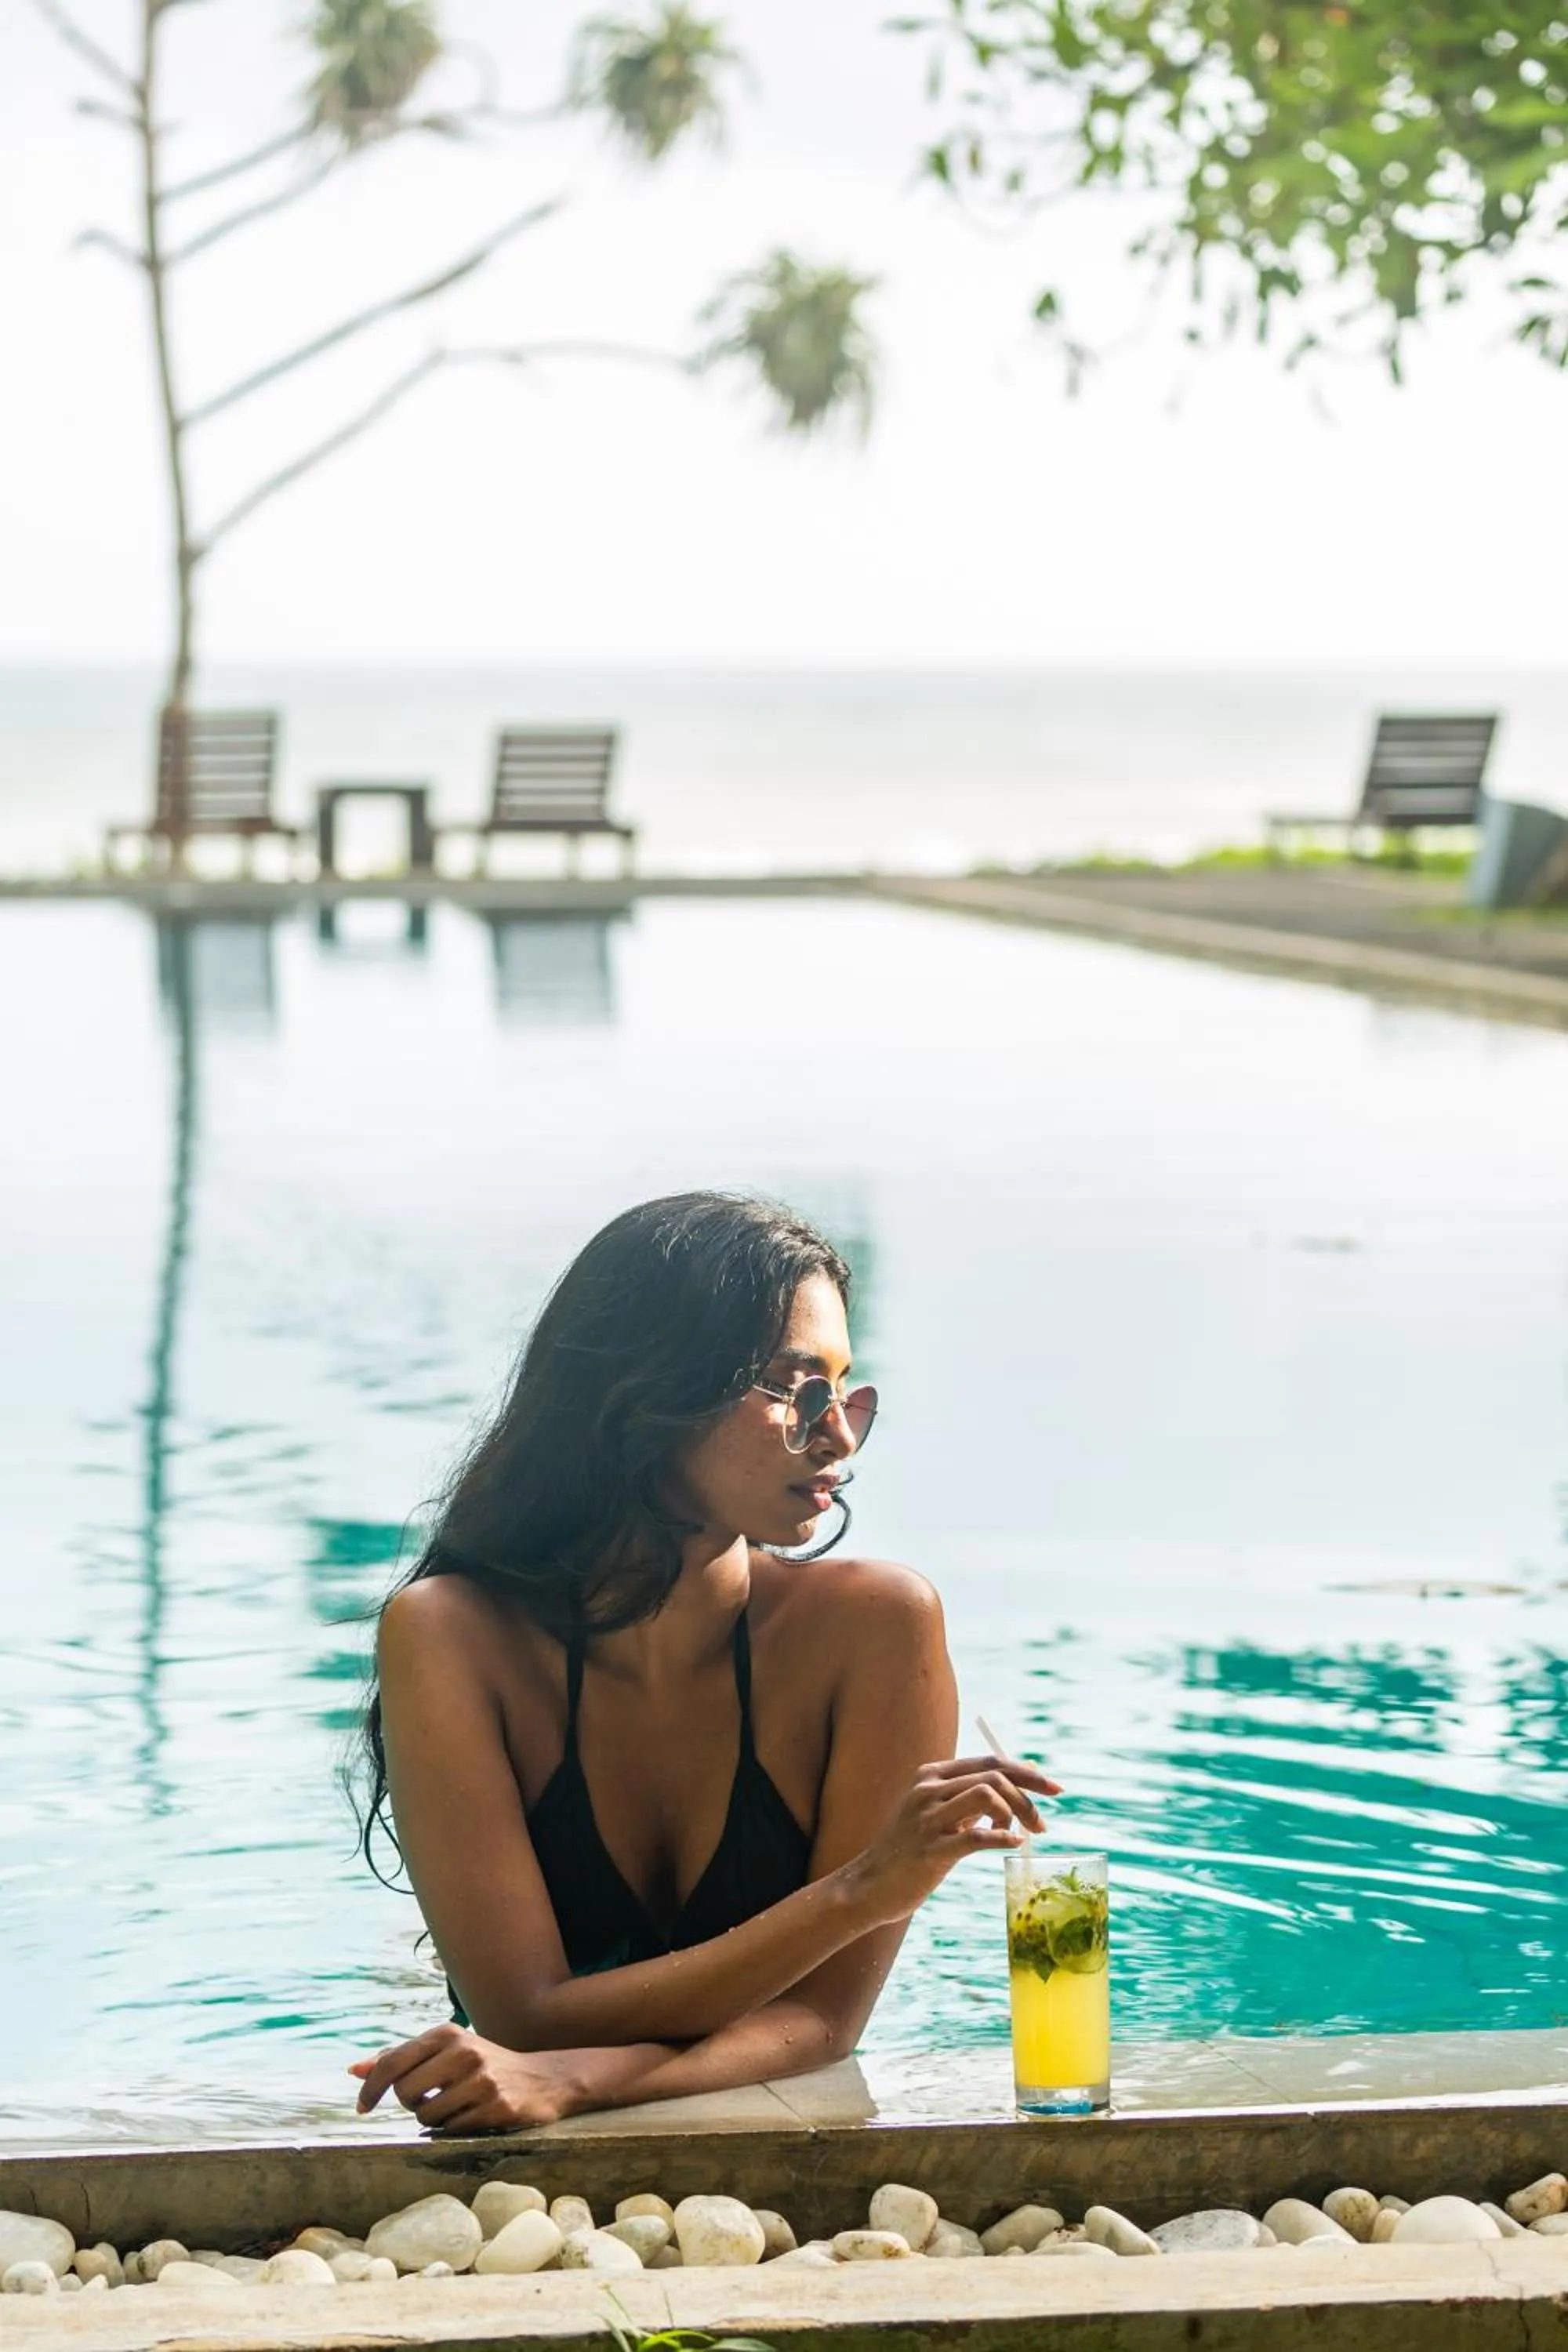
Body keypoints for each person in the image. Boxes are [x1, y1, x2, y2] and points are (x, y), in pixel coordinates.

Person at [349, 1191, 1057, 2132]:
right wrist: (859, 1891)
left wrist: (578, 2081)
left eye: (845, 1393)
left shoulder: (874, 1629)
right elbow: (521, 2017)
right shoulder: (452, 1634)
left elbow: (820, 2021)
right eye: (797, 1391)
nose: (840, 1436)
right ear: (649, 1393)